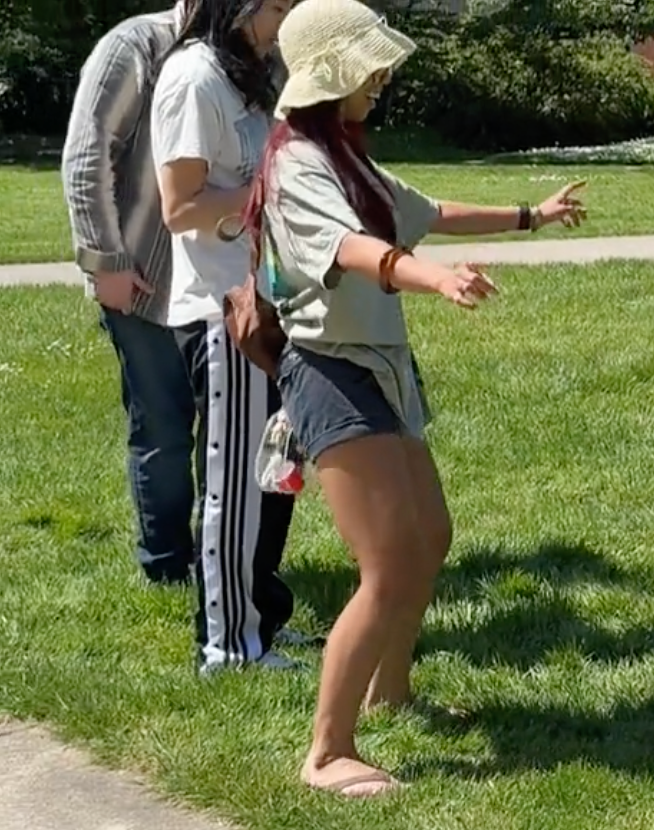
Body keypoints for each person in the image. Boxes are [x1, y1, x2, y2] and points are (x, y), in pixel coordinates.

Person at [245, 0, 586, 797]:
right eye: (371, 67)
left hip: (378, 367)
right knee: (388, 561)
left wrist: (532, 216)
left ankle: (389, 690)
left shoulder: (344, 154)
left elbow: (426, 212)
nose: (384, 78)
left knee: (429, 534)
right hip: (332, 371)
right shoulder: (296, 164)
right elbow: (353, 249)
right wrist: (432, 279)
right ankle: (327, 753)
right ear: (334, 74)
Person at [151, 0, 307, 675]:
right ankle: (229, 647)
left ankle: (260, 619)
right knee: (235, 487)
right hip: (222, 315)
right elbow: (180, 206)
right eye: (280, 5)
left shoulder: (245, 76)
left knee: (272, 479)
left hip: (264, 304)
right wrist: (264, 189)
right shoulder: (193, 78)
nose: (289, 16)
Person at [61, 0, 199, 586]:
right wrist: (106, 262)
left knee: (225, 431)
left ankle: (221, 561)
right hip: (144, 284)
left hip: (217, 286)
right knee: (164, 429)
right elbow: (86, 156)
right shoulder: (135, 46)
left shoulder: (248, 59)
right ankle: (168, 567)